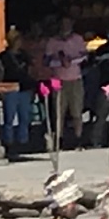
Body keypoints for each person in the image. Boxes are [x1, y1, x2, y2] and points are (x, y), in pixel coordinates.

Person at [40, 18, 87, 148]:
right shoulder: (52, 42)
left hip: (75, 80)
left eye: (68, 23)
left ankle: (78, 139)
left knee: (77, 111)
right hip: (58, 82)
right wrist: (60, 62)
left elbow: (86, 57)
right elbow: (46, 61)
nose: (65, 26)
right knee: (59, 112)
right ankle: (59, 140)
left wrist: (71, 60)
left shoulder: (78, 39)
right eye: (63, 24)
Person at [0, 29, 37, 159]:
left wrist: (32, 87)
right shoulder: (3, 56)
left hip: (25, 88)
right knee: (9, 118)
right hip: (10, 88)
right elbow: (1, 72)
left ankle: (23, 142)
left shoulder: (24, 55)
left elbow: (31, 70)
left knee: (24, 117)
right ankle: (8, 143)